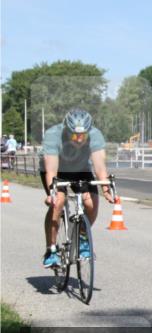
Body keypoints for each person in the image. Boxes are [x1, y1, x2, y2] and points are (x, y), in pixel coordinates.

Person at [40, 108, 114, 267]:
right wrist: (52, 194)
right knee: (58, 202)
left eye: (83, 135)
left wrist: (106, 189)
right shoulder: (53, 135)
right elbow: (51, 170)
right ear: (67, 131)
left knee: (91, 203)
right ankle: (51, 250)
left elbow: (100, 167)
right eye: (75, 135)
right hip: (57, 170)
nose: (79, 139)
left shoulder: (95, 135)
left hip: (81, 169)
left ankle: (83, 238)